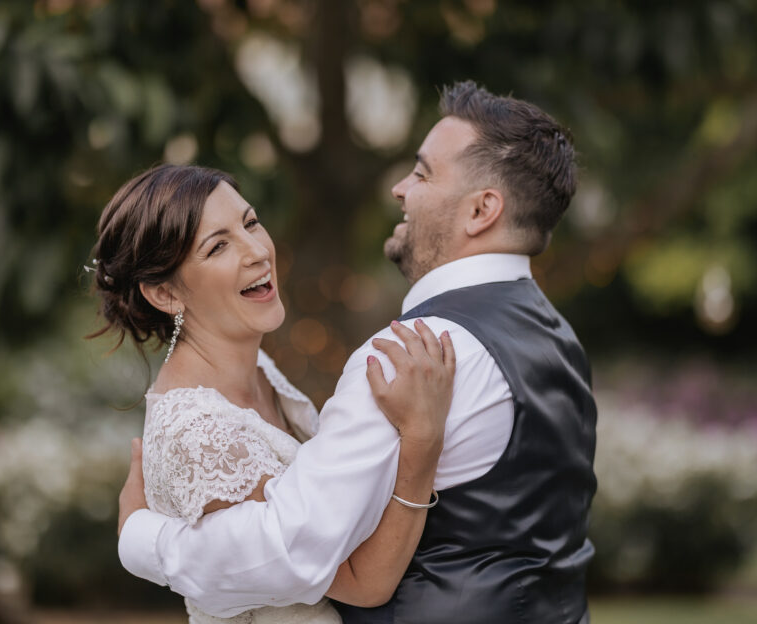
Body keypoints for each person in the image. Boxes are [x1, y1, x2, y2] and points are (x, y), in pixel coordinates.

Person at [118, 81, 598, 623]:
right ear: (163, 291)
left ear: (482, 209)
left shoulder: (409, 358)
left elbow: (293, 548)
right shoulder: (556, 336)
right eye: (218, 243)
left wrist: (141, 538)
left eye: (421, 173)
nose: (399, 188)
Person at [90, 164, 457, 624]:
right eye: (218, 246)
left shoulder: (260, 369)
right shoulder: (201, 437)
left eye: (250, 223)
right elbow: (365, 580)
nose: (257, 251)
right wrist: (422, 440)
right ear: (164, 293)